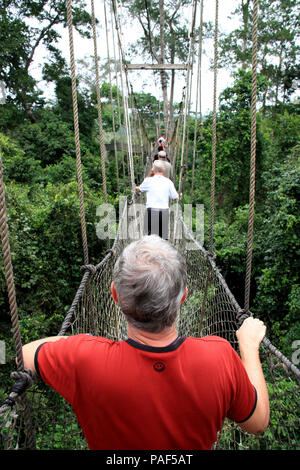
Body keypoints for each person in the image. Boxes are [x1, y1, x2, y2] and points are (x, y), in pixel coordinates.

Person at [21, 235, 269, 450]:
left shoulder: (83, 360)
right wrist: (248, 346)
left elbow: (23, 354)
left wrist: (75, 344)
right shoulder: (219, 356)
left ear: (115, 294)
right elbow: (258, 423)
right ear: (184, 296)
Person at [136, 160, 178, 239]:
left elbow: (139, 189)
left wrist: (136, 188)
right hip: (164, 213)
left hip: (151, 212)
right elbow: (175, 196)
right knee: (163, 240)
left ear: (153, 170)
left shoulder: (148, 181)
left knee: (148, 239)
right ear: (164, 171)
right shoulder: (169, 182)